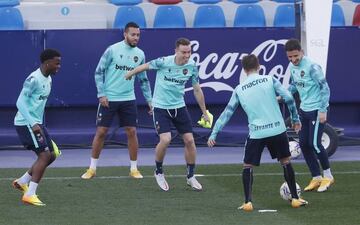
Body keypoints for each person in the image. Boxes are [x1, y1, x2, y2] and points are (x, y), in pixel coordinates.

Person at [207, 54, 308, 211]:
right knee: (286, 161)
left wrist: (214, 133)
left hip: (257, 133)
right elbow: (289, 97)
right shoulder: (269, 79)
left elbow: (227, 112)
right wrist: (295, 119)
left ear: (244, 69)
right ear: (259, 66)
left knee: (247, 165)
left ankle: (248, 202)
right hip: (277, 129)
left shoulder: (239, 89)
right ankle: (295, 198)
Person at [125, 38, 210, 191]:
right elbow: (145, 66)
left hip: (179, 106)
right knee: (165, 139)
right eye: (183, 52)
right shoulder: (164, 61)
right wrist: (131, 73)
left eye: (189, 52)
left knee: (190, 141)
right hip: (160, 107)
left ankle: (190, 176)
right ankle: (158, 171)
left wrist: (204, 112)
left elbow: (197, 90)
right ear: (176, 51)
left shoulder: (192, 66)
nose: (187, 55)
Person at [81, 22, 152, 180]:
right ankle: (92, 169)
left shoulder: (140, 54)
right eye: (133, 34)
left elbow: (143, 80)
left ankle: (134, 169)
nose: (136, 38)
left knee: (132, 132)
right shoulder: (112, 49)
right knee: (101, 132)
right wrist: (102, 94)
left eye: (138, 35)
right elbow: (99, 72)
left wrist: (150, 100)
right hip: (109, 99)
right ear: (125, 34)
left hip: (128, 99)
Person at [12, 49, 62, 206]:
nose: (59, 66)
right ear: (47, 63)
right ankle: (30, 194)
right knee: (44, 156)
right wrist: (33, 123)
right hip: (26, 123)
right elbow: (20, 103)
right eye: (57, 63)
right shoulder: (33, 79)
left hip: (36, 123)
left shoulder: (49, 80)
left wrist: (38, 123)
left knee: (53, 154)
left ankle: (22, 181)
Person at [284, 38, 334, 192]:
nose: (293, 60)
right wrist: (284, 94)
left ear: (302, 52)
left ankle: (328, 176)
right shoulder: (292, 67)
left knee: (315, 144)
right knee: (304, 144)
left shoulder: (312, 66)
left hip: (317, 110)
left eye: (295, 56)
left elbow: (324, 88)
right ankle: (316, 177)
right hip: (304, 110)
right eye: (290, 57)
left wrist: (323, 110)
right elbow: (295, 85)